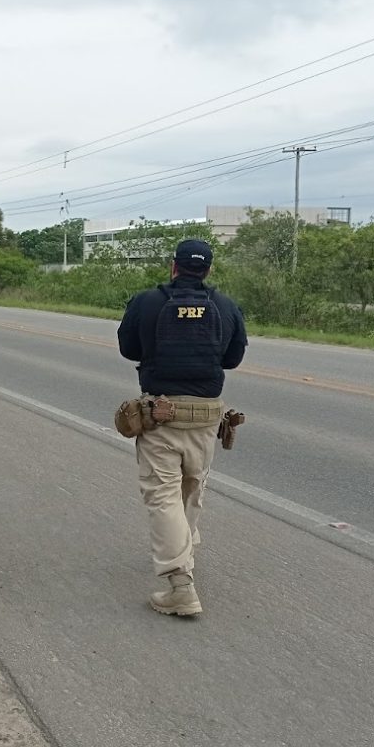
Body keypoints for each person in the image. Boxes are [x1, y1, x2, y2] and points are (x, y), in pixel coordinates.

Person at [116, 238, 247, 617]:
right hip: (207, 417)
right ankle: (185, 558)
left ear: (173, 266)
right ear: (207, 270)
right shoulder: (225, 306)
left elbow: (128, 349)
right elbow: (233, 358)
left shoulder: (147, 301)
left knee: (163, 495)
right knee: (192, 489)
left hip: (161, 415)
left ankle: (180, 585)